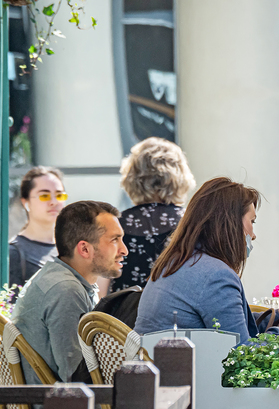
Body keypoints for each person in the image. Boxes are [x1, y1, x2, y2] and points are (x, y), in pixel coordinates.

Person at [134, 177, 279, 344]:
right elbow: (241, 353)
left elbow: (226, 328)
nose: (253, 234)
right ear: (230, 223)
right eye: (252, 222)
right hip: (189, 376)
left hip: (160, 372)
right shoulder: (215, 275)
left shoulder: (174, 263)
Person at [12, 201, 127, 384]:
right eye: (114, 240)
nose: (124, 250)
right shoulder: (66, 290)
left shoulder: (62, 279)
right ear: (84, 249)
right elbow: (77, 382)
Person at [102, 137, 196, 295]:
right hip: (176, 316)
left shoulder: (113, 225)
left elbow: (100, 290)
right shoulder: (193, 223)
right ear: (179, 176)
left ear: (132, 177)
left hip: (122, 317)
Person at [8, 166, 67, 289]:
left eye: (59, 195)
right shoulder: (14, 253)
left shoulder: (73, 249)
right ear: (26, 202)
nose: (54, 201)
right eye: (44, 196)